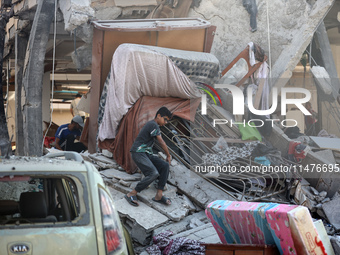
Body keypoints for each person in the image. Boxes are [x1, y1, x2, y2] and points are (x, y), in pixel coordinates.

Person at [125, 107, 172, 207]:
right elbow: (161, 141)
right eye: (165, 119)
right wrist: (168, 155)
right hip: (138, 152)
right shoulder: (152, 124)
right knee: (153, 173)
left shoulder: (155, 126)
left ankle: (159, 195)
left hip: (146, 154)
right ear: (158, 116)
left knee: (165, 166)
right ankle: (132, 193)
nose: (166, 122)